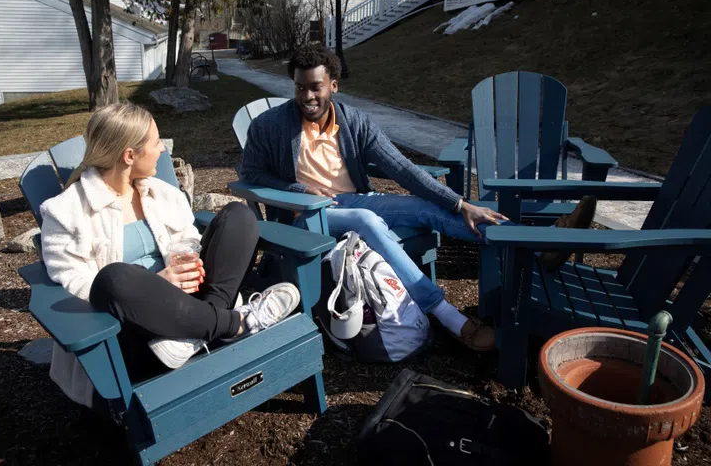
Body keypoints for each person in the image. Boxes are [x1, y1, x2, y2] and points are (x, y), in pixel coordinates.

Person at [241, 45, 596, 353]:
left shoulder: (355, 123)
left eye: (315, 87)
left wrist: (461, 203)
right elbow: (251, 175)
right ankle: (451, 318)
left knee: (428, 208)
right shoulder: (269, 126)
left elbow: (402, 168)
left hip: (355, 203)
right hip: (308, 217)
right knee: (368, 219)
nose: (307, 97)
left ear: (333, 85)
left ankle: (536, 244)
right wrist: (300, 191)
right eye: (300, 88)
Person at [40, 102, 300, 408]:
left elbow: (188, 238)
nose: (163, 150)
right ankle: (236, 325)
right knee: (114, 278)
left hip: (188, 313)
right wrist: (158, 283)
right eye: (155, 142)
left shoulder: (162, 194)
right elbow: (74, 283)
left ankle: (197, 333)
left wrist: (188, 260)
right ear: (129, 155)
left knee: (239, 216)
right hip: (135, 335)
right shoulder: (65, 213)